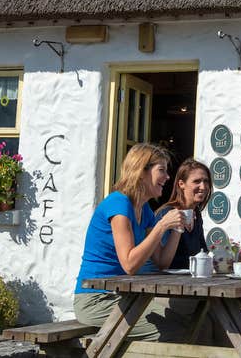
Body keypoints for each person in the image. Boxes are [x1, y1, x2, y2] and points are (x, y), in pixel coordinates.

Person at [73, 143, 189, 342]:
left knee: (191, 319)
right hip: (95, 298)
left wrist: (178, 227)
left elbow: (162, 261)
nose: (168, 177)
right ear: (141, 171)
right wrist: (162, 226)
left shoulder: (143, 210)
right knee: (174, 332)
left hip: (122, 296)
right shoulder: (119, 204)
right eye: (161, 170)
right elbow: (129, 264)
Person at [153, 158, 211, 269]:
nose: (203, 187)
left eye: (206, 181)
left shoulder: (196, 214)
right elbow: (163, 262)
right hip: (163, 282)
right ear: (181, 184)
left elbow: (202, 252)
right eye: (197, 181)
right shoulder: (167, 213)